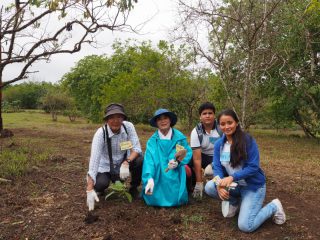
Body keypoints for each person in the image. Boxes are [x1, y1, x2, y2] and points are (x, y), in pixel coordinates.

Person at [205, 109, 286, 232]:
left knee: (246, 226)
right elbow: (217, 167)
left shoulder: (248, 141)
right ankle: (234, 202)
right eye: (222, 124)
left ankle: (274, 206)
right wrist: (219, 185)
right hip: (235, 186)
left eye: (230, 122)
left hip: (252, 186)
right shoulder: (219, 145)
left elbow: (253, 167)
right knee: (210, 187)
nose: (226, 127)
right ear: (219, 125)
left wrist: (232, 177)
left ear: (236, 123)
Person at [86, 103, 143, 211]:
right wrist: (89, 188)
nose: (115, 120)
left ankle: (133, 188)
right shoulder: (100, 134)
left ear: (123, 118)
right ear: (106, 120)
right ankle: (101, 188)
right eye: (111, 117)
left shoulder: (128, 127)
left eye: (119, 117)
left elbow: (137, 149)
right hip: (106, 166)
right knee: (100, 184)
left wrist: (127, 162)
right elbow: (94, 161)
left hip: (123, 165)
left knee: (140, 160)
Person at [142, 108, 192, 207]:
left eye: (165, 118)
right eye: (159, 119)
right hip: (157, 171)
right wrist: (149, 178)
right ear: (156, 123)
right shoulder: (152, 141)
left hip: (174, 169)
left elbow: (186, 153)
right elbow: (149, 161)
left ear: (170, 120)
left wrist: (178, 162)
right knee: (153, 193)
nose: (163, 121)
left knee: (175, 190)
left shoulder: (179, 138)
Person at [189, 102, 222, 199]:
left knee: (212, 171)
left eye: (210, 113)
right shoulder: (196, 132)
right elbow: (197, 158)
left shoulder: (221, 129)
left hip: (219, 156)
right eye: (204, 113)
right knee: (187, 165)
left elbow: (227, 151)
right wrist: (199, 182)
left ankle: (215, 181)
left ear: (214, 115)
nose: (207, 116)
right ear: (200, 117)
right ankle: (193, 184)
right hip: (202, 155)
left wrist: (213, 165)